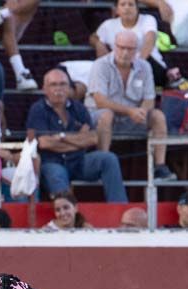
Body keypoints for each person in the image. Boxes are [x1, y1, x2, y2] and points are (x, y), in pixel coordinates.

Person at [26, 69, 127, 202]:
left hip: (79, 161)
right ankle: (70, 217)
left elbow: (92, 138)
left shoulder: (78, 108)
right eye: (53, 84)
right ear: (44, 89)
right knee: (56, 173)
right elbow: (44, 143)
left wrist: (61, 137)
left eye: (63, 84)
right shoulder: (38, 109)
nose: (58, 89)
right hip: (52, 162)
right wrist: (78, 139)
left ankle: (119, 209)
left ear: (69, 88)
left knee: (108, 159)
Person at [88, 30, 175, 181]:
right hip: (102, 118)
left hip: (133, 118)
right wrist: (130, 111)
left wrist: (142, 111)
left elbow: (149, 99)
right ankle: (101, 167)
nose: (125, 52)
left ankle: (160, 167)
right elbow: (100, 101)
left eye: (130, 49)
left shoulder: (145, 67)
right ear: (114, 46)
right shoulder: (100, 65)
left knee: (158, 116)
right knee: (106, 114)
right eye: (121, 47)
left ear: (137, 50)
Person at [92, 0, 166, 90]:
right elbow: (94, 37)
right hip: (120, 69)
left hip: (148, 64)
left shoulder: (148, 19)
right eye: (123, 5)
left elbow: (149, 41)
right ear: (116, 9)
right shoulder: (108, 25)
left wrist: (135, 66)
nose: (127, 8)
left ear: (137, 8)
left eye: (131, 4)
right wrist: (98, 44)